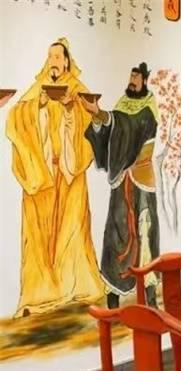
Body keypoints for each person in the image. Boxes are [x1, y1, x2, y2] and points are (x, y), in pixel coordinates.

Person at [5, 39, 104, 317]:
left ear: (67, 61)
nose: (54, 62)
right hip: (43, 176)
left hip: (70, 175)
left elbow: (89, 123)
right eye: (50, 56)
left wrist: (71, 109)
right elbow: (16, 119)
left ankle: (77, 289)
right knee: (40, 237)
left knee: (72, 232)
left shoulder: (77, 88)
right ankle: (39, 297)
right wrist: (38, 106)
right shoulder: (38, 88)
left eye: (58, 57)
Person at [82, 62, 160, 308]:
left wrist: (103, 114)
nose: (132, 81)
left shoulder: (149, 108)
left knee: (145, 232)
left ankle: (149, 295)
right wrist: (98, 118)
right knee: (115, 234)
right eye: (130, 77)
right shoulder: (122, 104)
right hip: (121, 182)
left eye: (136, 78)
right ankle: (113, 294)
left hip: (142, 180)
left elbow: (130, 125)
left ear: (144, 81)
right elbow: (113, 132)